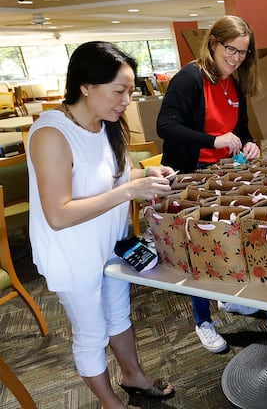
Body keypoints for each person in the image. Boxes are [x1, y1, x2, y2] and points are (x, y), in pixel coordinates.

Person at [26, 41, 176, 407]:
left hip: (110, 245)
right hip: (72, 255)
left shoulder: (106, 124)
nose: (127, 100)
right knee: (91, 332)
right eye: (119, 91)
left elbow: (111, 179)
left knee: (118, 315)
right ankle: (110, 403)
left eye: (130, 90)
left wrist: (145, 173)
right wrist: (130, 191)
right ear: (86, 86)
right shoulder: (52, 134)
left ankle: (134, 376)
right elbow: (59, 214)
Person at [157, 15, 261, 354]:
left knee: (224, 240)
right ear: (213, 43)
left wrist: (249, 142)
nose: (236, 58)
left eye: (243, 53)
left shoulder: (234, 82)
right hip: (189, 176)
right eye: (231, 49)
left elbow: (241, 128)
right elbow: (166, 126)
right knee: (197, 250)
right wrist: (213, 140)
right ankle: (203, 319)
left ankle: (226, 299)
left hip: (221, 177)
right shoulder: (190, 78)